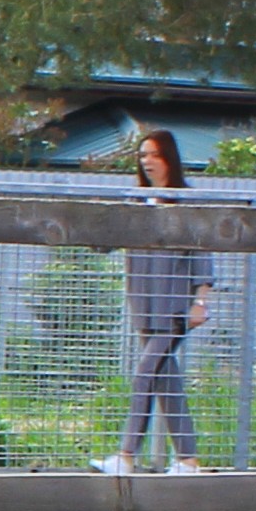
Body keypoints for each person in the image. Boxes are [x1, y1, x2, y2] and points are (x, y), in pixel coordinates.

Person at [102, 126, 213, 472]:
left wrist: (201, 302)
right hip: (143, 309)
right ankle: (188, 460)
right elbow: (103, 239)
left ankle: (126, 456)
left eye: (154, 154)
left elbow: (202, 256)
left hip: (174, 311)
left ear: (169, 159)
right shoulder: (135, 202)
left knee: (144, 374)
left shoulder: (186, 202)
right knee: (167, 383)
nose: (147, 162)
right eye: (142, 155)